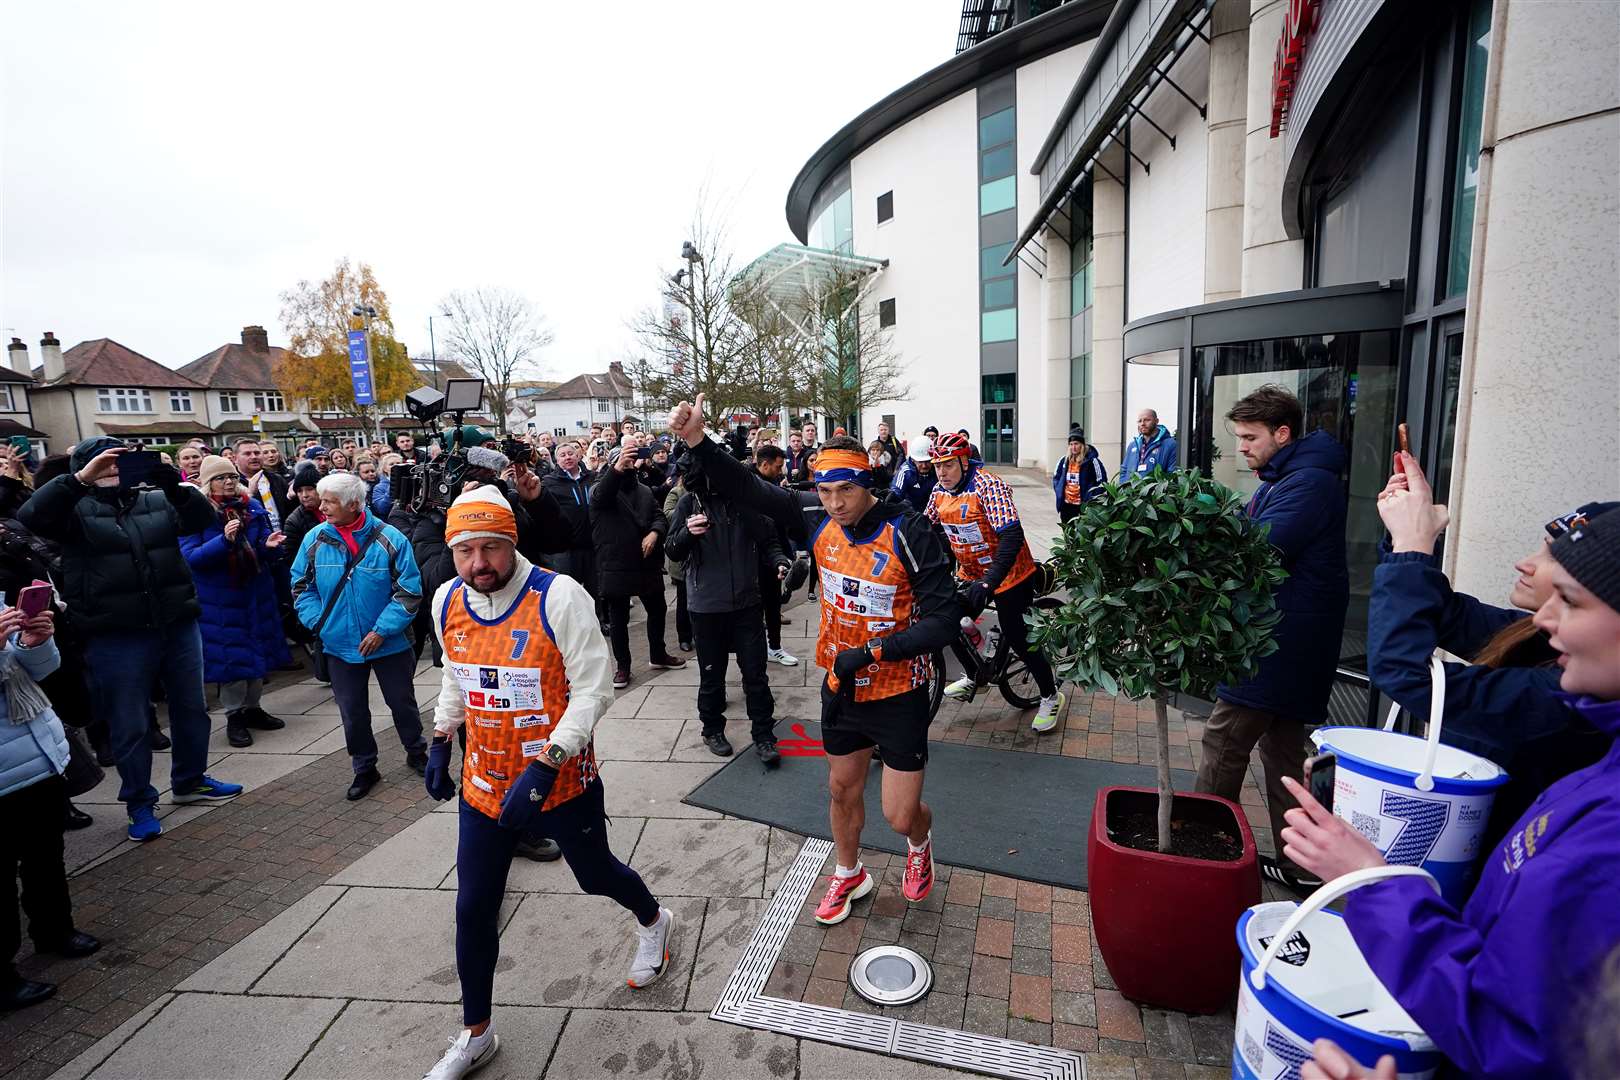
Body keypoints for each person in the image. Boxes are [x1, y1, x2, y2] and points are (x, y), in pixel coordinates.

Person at [1276, 507, 1620, 1080]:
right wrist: (1410, 543)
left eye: (1573, 598)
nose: (1548, 618)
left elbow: (1516, 1035)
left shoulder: (1605, 837)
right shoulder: (1602, 748)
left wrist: (1372, 883)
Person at [668, 395, 960, 923]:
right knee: (841, 789)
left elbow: (944, 621)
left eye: (846, 490)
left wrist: (871, 652)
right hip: (841, 686)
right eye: (824, 491)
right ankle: (849, 873)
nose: (835, 503)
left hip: (899, 688)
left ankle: (920, 844)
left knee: (898, 815)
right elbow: (744, 484)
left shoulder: (909, 531)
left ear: (868, 482)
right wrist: (696, 439)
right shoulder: (812, 514)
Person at [418, 487, 675, 1079]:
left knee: (594, 875)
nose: (478, 563)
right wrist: (439, 737)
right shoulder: (447, 599)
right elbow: (458, 676)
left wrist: (548, 761)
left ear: (513, 543)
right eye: (465, 551)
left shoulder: (559, 596)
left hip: (559, 780)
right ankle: (476, 1033)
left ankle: (655, 922)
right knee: (474, 905)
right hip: (485, 782)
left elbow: (595, 687)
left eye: (490, 548)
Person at [1370, 455, 1614, 855]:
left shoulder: (1573, 697)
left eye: (1554, 559)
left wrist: (1412, 549)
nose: (1526, 563)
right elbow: (1444, 613)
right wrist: (1406, 540)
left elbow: (1408, 674)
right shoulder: (1538, 639)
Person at [16, 438, 243, 841]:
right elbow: (32, 515)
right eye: (106, 463)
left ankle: (191, 780)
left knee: (192, 707)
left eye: (122, 461)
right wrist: (80, 479)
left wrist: (171, 483)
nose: (116, 469)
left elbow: (199, 520)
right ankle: (139, 800)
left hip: (175, 621)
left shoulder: (153, 499)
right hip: (115, 631)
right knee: (130, 720)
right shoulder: (73, 508)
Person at [1193, 384, 1347, 893]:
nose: (1241, 446)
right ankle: (1300, 864)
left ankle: (1203, 849)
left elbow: (1258, 550)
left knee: (1223, 740)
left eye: (1250, 436)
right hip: (1292, 644)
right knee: (1282, 754)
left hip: (1277, 645)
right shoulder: (1289, 478)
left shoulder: (1307, 484)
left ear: (1283, 433)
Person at [292, 472, 427, 800]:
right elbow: (300, 587)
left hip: (390, 643)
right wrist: (320, 624)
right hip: (339, 645)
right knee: (352, 711)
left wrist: (382, 630)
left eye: (329, 501)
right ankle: (364, 767)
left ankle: (417, 752)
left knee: (402, 703)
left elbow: (409, 590)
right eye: (321, 500)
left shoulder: (390, 537)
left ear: (354, 504)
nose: (322, 506)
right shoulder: (314, 539)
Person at [0, 599, 102, 1011]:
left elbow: (35, 672)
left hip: (34, 752)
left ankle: (55, 929)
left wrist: (34, 641)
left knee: (46, 852)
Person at [928, 434, 1062, 731]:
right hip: (971, 571)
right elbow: (924, 527)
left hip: (1011, 573)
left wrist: (989, 583)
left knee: (1018, 635)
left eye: (948, 465)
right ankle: (976, 675)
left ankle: (1050, 695)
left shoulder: (989, 485)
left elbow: (1011, 536)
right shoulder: (939, 491)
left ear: (964, 462)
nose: (941, 472)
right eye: (937, 465)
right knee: (946, 618)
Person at [666, 458, 789, 763]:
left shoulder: (745, 503)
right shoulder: (688, 504)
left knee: (756, 675)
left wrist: (779, 563)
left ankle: (764, 735)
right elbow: (671, 549)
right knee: (712, 675)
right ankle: (711, 729)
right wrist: (686, 533)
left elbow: (769, 541)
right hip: (706, 606)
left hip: (747, 603)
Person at [180, 456, 291, 748]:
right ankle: (234, 716)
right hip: (220, 597)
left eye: (231, 476)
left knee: (258, 652)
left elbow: (261, 543)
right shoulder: (196, 513)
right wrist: (224, 541)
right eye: (220, 478)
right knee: (231, 659)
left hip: (255, 591)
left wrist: (269, 546)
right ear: (208, 482)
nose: (228, 482)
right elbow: (191, 557)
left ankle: (253, 708)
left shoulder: (252, 507)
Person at [590, 447, 685, 688]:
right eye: (623, 461)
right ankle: (623, 666)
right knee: (618, 619)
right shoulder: (600, 490)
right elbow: (602, 496)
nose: (629, 464)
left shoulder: (643, 491)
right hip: (615, 562)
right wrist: (617, 469)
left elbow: (659, 516)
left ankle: (658, 654)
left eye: (631, 461)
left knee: (657, 609)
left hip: (646, 561)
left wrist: (654, 533)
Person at [751, 446, 798, 667]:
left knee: (772, 604)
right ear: (764, 464)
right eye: (778, 466)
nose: (782, 470)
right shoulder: (750, 486)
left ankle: (775, 647)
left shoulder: (771, 485)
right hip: (754, 557)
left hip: (773, 554)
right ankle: (758, 648)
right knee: (756, 606)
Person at [1051, 427, 1107, 523]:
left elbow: (1102, 481)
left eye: (1076, 444)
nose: (1073, 447)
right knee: (1068, 535)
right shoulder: (1064, 461)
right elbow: (1056, 478)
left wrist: (1091, 498)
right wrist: (1059, 492)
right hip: (1066, 506)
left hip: (1083, 506)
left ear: (1082, 445)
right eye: (1071, 444)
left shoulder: (1092, 461)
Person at [281, 463, 325, 558]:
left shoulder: (337, 509)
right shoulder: (293, 521)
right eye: (299, 491)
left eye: (310, 489)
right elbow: (292, 557)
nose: (304, 495)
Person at [1119, 408, 1178, 479]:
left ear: (1156, 421)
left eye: (1147, 420)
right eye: (1140, 421)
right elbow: (1124, 471)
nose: (1142, 424)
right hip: (1131, 489)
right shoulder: (1132, 445)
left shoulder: (1170, 444)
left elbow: (1172, 473)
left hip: (1156, 489)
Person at [889, 436, 937, 514]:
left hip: (934, 515)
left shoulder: (938, 469)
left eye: (928, 461)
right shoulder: (905, 472)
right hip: (913, 517)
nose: (924, 466)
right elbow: (895, 495)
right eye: (920, 462)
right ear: (913, 460)